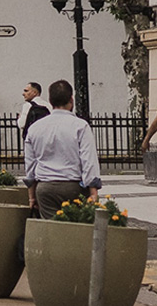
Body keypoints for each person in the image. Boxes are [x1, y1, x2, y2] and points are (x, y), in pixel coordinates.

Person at [25, 79, 102, 218]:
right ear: (71, 99)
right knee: (76, 230)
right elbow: (88, 160)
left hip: (45, 188)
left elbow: (30, 164)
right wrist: (93, 192)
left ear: (50, 100)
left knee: (52, 231)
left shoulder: (35, 128)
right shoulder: (80, 126)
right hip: (73, 187)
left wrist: (32, 196)